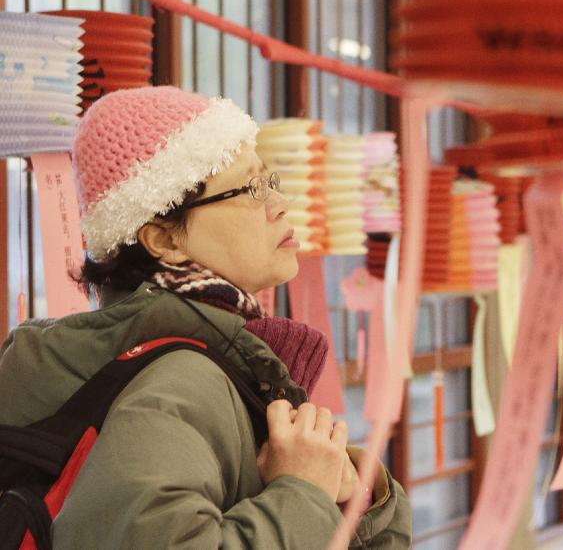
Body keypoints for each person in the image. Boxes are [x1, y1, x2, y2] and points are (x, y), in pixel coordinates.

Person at [0, 86, 411, 548]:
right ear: (164, 240)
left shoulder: (218, 361)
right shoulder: (182, 380)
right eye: (251, 188)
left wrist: (357, 496)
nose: (279, 203)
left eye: (270, 181)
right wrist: (304, 492)